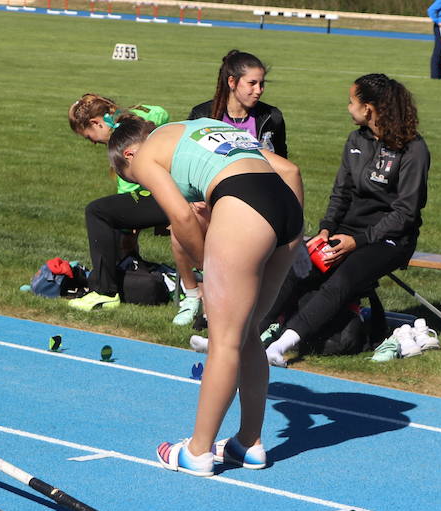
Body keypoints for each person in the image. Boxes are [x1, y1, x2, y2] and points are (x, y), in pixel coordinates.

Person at [107, 115, 303, 476]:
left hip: (246, 206)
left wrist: (205, 269)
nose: (146, 186)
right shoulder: (203, 127)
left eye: (134, 180)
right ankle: (249, 443)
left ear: (130, 155)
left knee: (224, 341)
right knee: (247, 334)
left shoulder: (146, 155)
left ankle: (197, 451)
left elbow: (181, 217)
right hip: (287, 211)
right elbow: (290, 171)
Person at [264, 73, 430, 366]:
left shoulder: (413, 148)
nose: (348, 107)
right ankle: (246, 333)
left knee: (343, 279)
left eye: (351, 101)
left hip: (390, 238)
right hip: (347, 232)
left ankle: (281, 346)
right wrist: (326, 229)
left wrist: (359, 241)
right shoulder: (356, 139)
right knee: (296, 266)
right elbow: (341, 193)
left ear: (368, 108)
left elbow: (406, 212)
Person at [66, 94, 202, 324]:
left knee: (98, 212)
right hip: (182, 185)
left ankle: (105, 292)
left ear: (97, 123)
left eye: (89, 136)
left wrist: (129, 230)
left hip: (169, 192)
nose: (92, 142)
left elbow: (129, 191)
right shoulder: (136, 118)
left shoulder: (123, 143)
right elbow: (159, 111)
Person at [188, 50, 288, 157]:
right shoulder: (202, 115)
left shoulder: (272, 117)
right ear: (232, 82)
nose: (259, 90)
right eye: (252, 83)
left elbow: (281, 160)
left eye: (261, 83)